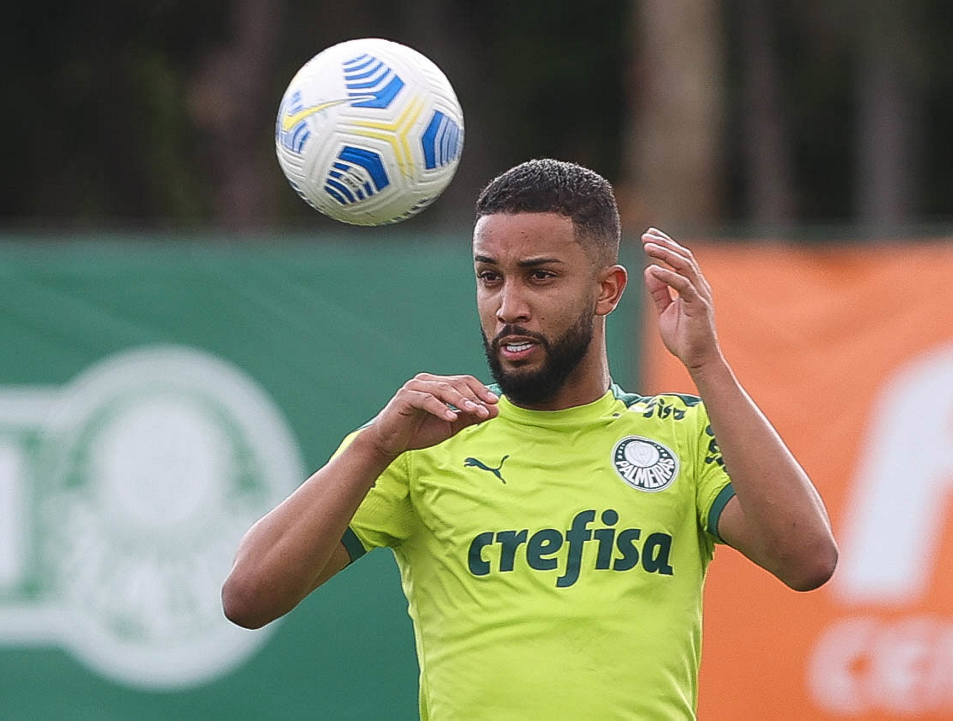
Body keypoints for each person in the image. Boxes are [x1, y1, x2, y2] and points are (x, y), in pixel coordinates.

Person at [222, 159, 837, 719]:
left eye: (539, 276)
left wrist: (707, 364)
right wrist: (373, 447)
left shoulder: (680, 431)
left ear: (607, 290)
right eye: (489, 278)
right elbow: (247, 597)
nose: (508, 306)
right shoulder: (420, 441)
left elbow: (808, 560)